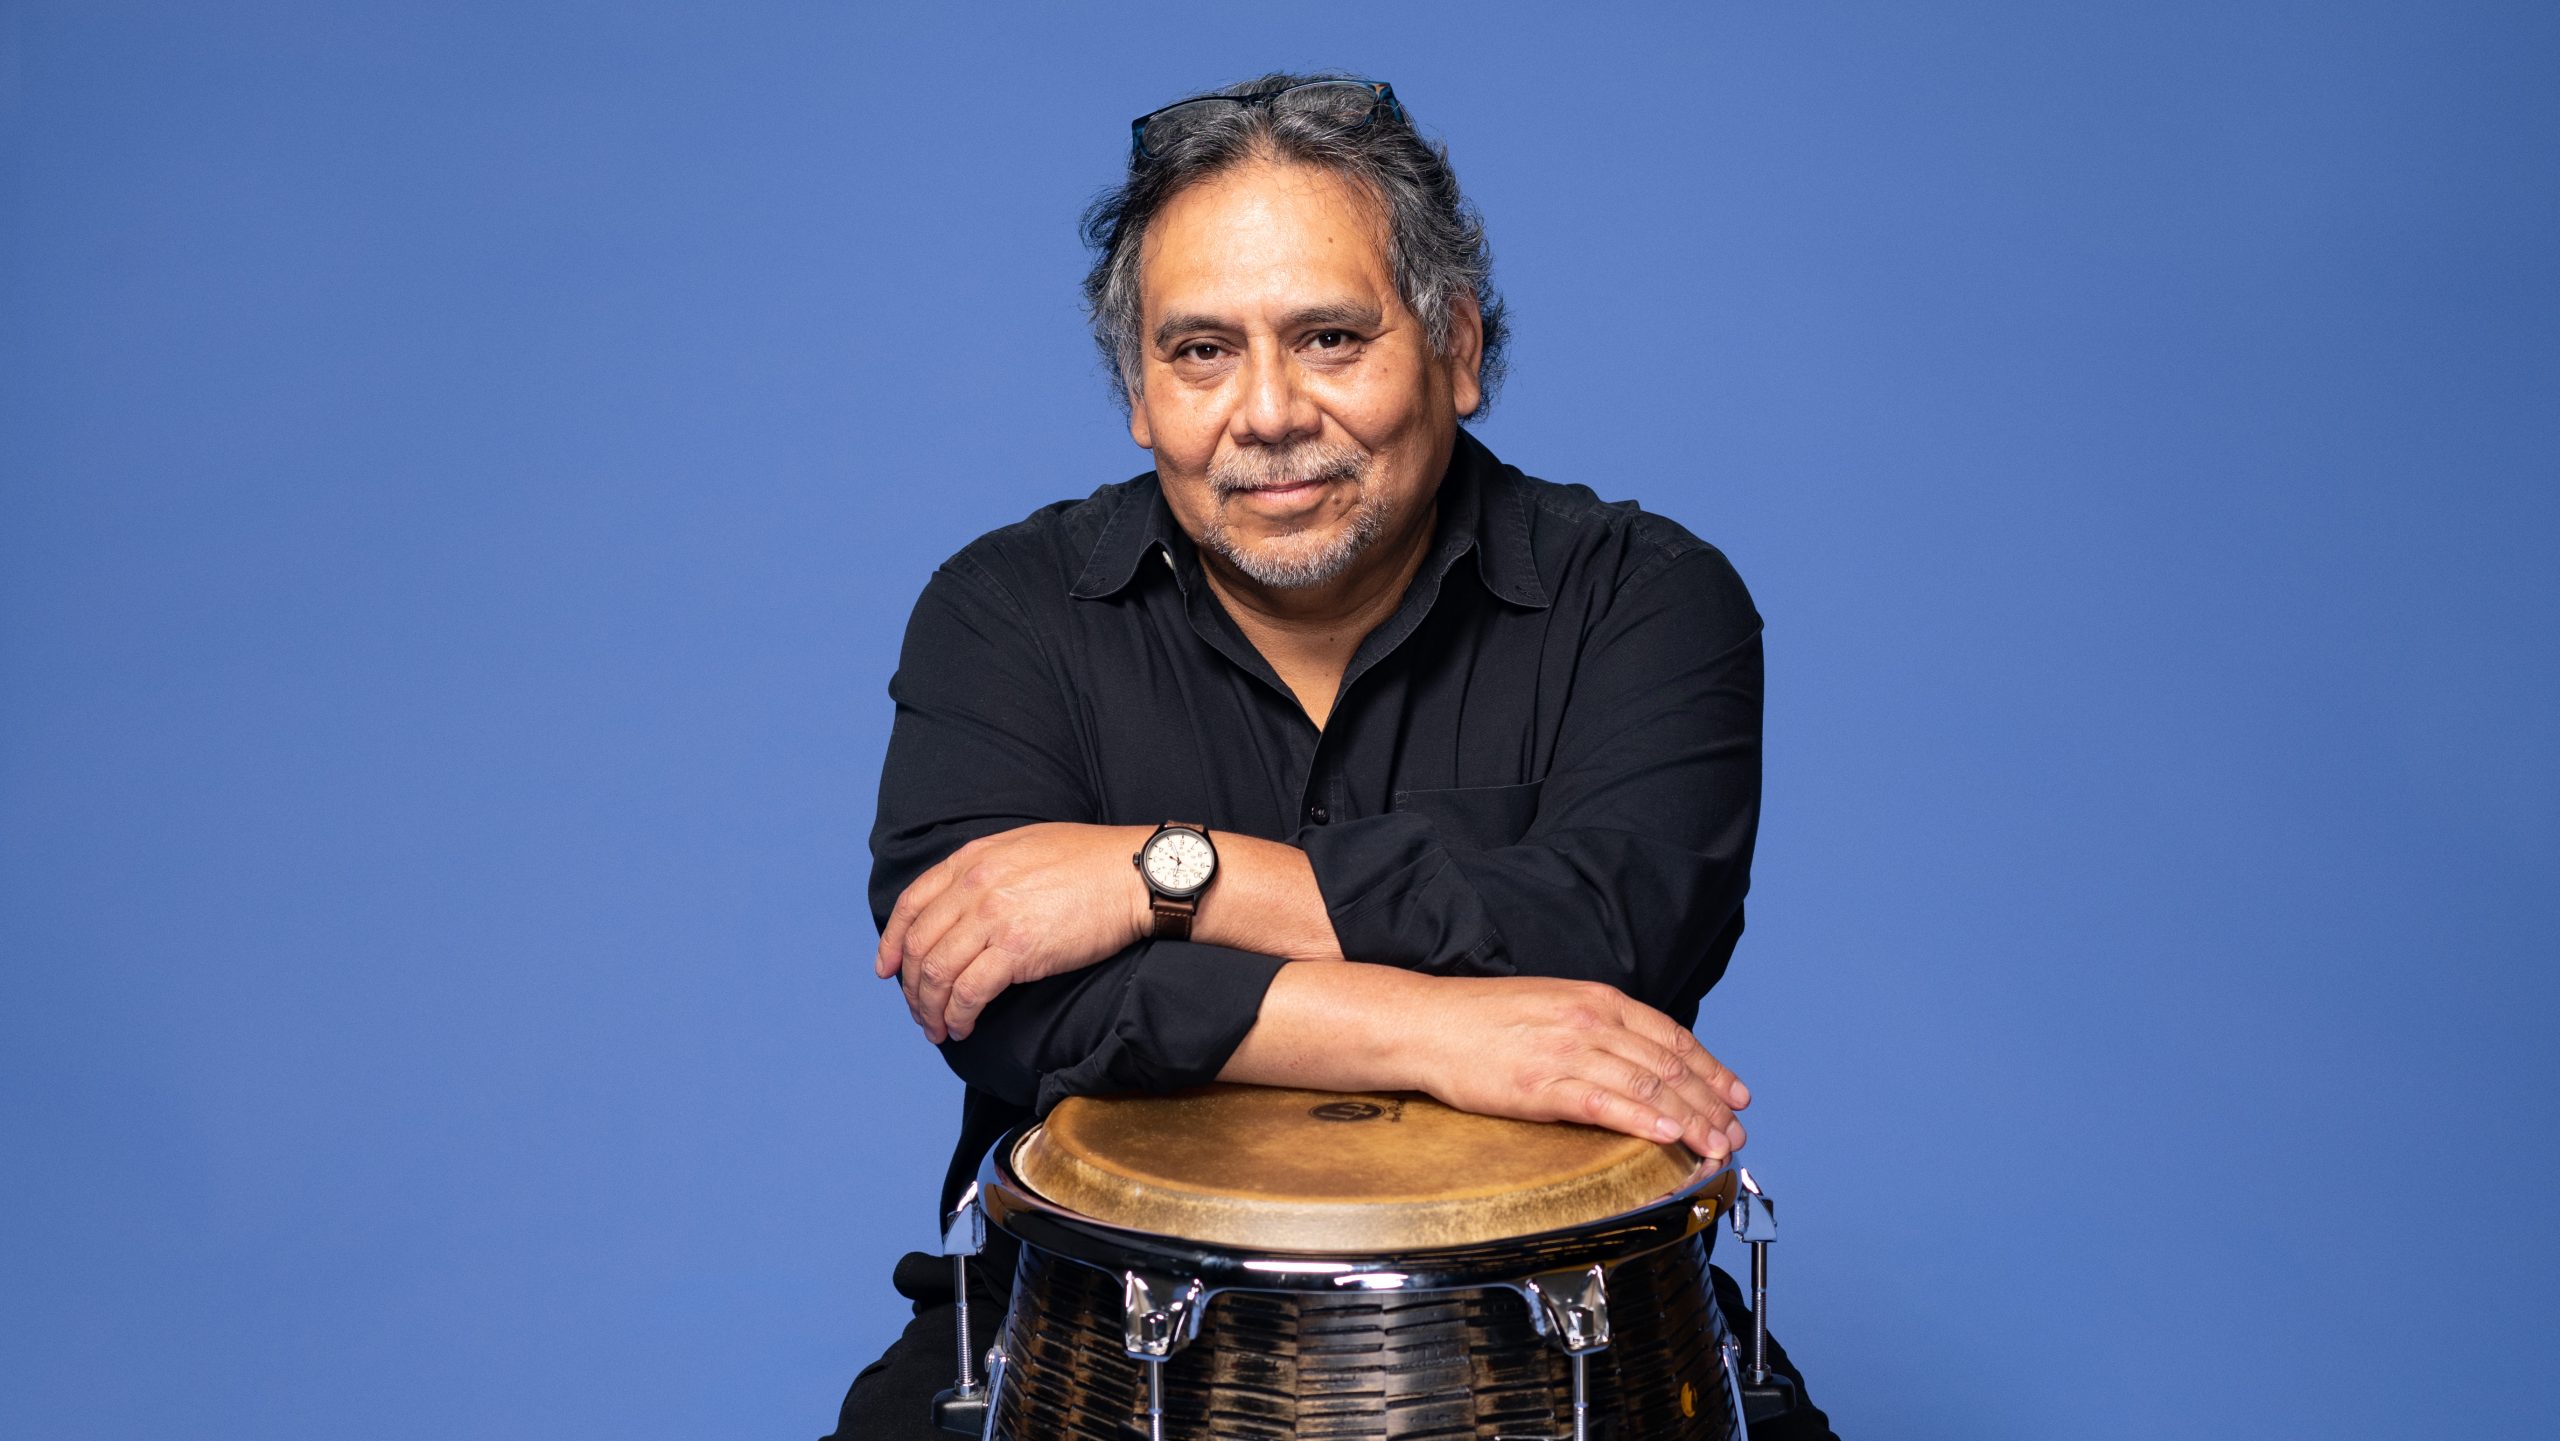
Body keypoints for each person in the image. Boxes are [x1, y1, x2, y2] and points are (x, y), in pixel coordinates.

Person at [825, 72, 1836, 1440]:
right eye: (1199, 352)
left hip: (1567, 1329)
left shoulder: (1645, 598)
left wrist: (1162, 877)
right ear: (1138, 390)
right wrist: (1449, 1024)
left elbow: (1615, 931)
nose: (1266, 412)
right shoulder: (1004, 612)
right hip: (1078, 1324)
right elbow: (998, 1004)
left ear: (1459, 348)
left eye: (1329, 338)